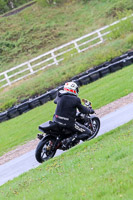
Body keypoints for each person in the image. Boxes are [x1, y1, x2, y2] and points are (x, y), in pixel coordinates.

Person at [53, 81, 94, 148]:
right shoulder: (75, 99)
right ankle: (70, 140)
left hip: (56, 119)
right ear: (73, 90)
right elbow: (83, 110)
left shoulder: (60, 95)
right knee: (88, 133)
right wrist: (90, 110)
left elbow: (55, 101)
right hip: (68, 123)